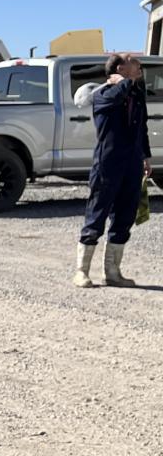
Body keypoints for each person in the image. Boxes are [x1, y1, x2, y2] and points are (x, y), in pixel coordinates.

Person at [75, 53, 152, 287]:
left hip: (132, 163)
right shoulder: (104, 95)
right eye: (133, 62)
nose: (139, 66)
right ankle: (81, 271)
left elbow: (142, 127)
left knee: (125, 215)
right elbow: (118, 95)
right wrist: (122, 83)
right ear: (120, 68)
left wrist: (145, 157)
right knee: (97, 213)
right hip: (108, 164)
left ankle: (112, 272)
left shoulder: (136, 95)